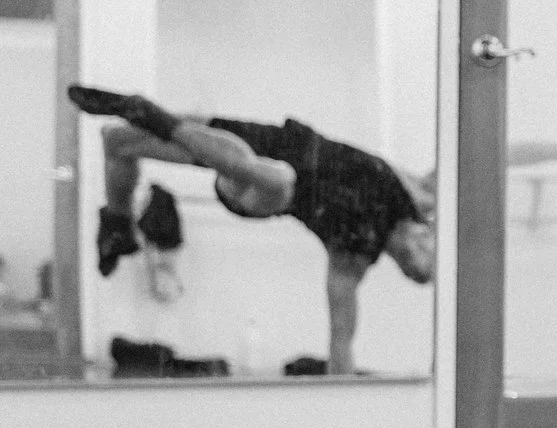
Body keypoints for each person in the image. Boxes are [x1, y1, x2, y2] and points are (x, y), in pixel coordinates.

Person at [67, 87, 436, 376]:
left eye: (407, 262)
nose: (413, 248)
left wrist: (342, 407)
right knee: (118, 141)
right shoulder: (417, 195)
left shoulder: (353, 258)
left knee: (280, 177)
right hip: (273, 140)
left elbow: (342, 337)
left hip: (255, 193)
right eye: (424, 248)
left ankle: (157, 118)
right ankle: (116, 225)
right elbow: (466, 146)